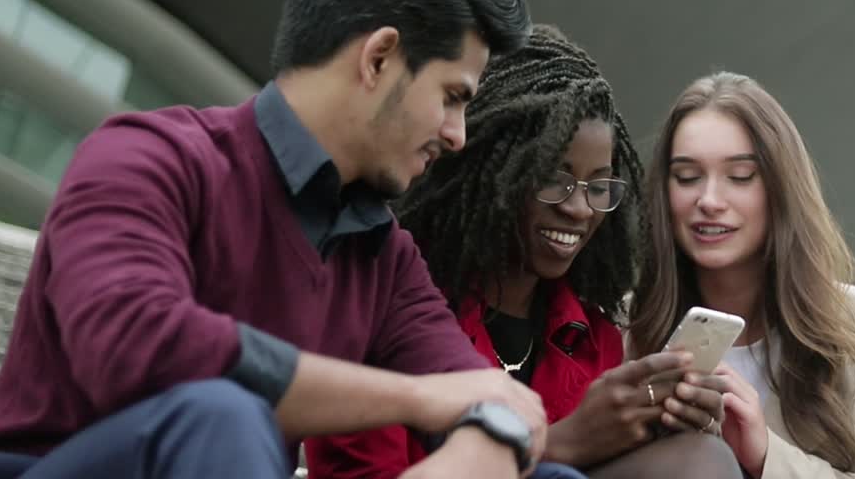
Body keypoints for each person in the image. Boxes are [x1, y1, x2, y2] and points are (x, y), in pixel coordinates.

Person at [0, 0, 572, 479]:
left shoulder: (384, 256)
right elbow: (135, 345)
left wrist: (487, 433)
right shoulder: (147, 158)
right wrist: (416, 397)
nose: (457, 135)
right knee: (223, 414)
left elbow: (488, 399)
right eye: (453, 97)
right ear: (379, 58)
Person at [307, 26, 740, 479]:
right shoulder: (386, 307)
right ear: (486, 170)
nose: (579, 208)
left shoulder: (594, 337)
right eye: (553, 179)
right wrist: (562, 443)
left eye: (598, 187)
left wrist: (659, 436)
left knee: (701, 456)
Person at [628, 72, 855, 479]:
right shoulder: (621, 326)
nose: (709, 200)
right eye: (687, 177)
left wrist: (766, 455)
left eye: (740, 176)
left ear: (781, 187)